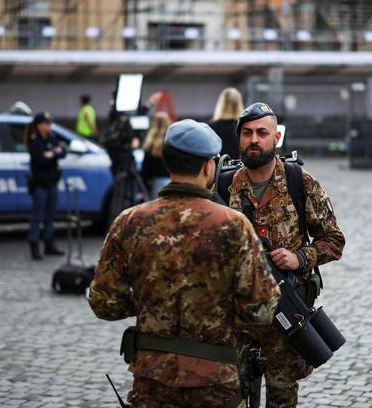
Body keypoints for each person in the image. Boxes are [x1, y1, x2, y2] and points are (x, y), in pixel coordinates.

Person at [89, 119, 281, 408]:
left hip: (152, 381)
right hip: (216, 382)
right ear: (208, 166)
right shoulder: (233, 225)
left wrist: (150, 303)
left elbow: (103, 302)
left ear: (167, 164)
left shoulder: (130, 222)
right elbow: (263, 308)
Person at [227, 102, 346, 408]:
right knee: (230, 395)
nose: (254, 139)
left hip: (285, 317)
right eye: (247, 133)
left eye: (262, 133)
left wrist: (301, 258)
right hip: (237, 314)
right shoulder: (225, 185)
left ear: (276, 137)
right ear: (239, 138)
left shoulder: (300, 182)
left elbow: (334, 240)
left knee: (282, 397)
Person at [25, 112, 66, 260]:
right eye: (46, 123)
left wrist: (52, 154)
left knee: (50, 215)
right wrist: (53, 153)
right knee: (38, 216)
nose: (49, 126)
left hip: (52, 182)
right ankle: (34, 245)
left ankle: (49, 244)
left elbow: (63, 152)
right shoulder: (35, 141)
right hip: (40, 184)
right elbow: (41, 159)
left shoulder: (52, 137)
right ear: (39, 125)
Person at [141, 111, 171, 199]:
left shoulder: (150, 145)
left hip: (156, 184)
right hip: (173, 182)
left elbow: (145, 171)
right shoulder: (172, 143)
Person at [208, 87, 244, 159]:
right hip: (240, 168)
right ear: (239, 104)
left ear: (221, 104)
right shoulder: (244, 126)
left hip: (219, 169)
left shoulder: (211, 128)